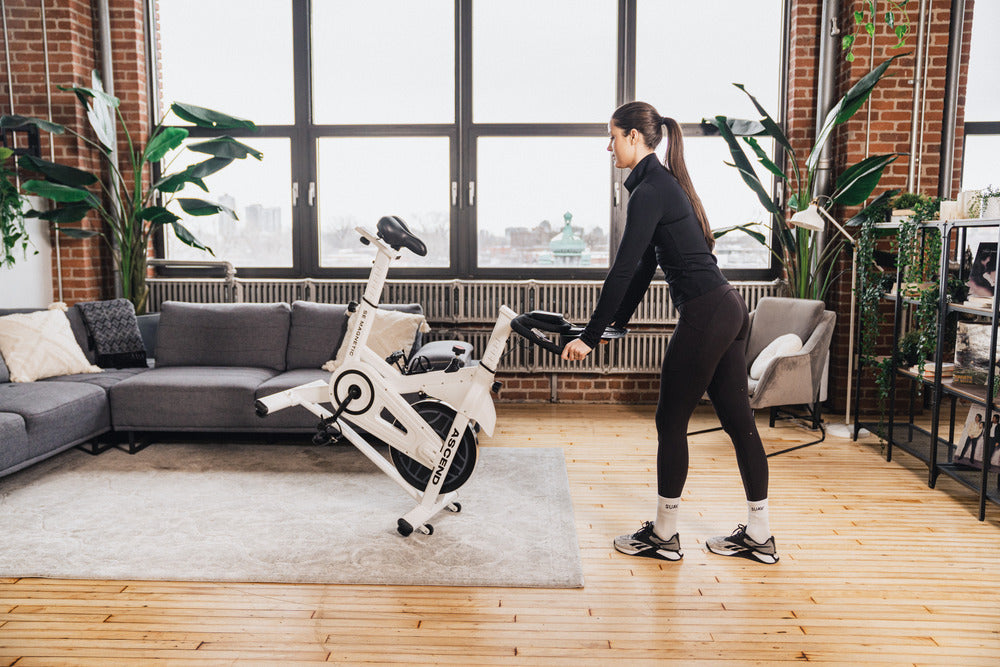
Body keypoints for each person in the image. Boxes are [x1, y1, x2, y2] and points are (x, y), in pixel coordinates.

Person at [561, 101, 777, 564]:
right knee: (740, 424)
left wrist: (590, 336)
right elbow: (643, 267)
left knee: (669, 420)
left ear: (634, 138)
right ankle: (760, 536)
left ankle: (664, 535)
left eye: (613, 136)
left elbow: (620, 270)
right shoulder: (661, 184)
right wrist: (615, 323)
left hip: (706, 313)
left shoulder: (650, 190)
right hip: (728, 308)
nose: (609, 146)